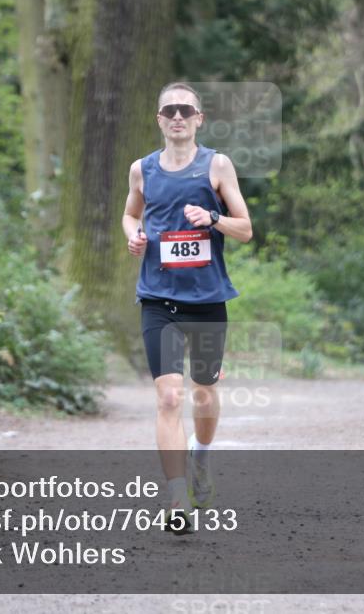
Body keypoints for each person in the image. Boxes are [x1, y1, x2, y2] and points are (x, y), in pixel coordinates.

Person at [122, 82, 252, 534]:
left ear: (199, 118)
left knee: (202, 394)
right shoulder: (141, 169)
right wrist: (133, 236)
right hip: (157, 297)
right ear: (159, 119)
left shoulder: (216, 165)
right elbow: (130, 214)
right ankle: (177, 497)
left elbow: (246, 229)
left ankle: (201, 456)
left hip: (207, 299)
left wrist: (212, 218)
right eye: (169, 110)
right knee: (169, 396)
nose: (178, 116)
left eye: (186, 109)